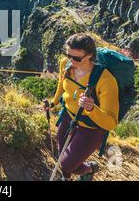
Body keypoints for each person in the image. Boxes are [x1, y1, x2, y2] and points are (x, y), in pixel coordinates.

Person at [45, 33, 119, 181]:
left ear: (90, 56)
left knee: (66, 164)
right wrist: (53, 103)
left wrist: (92, 109)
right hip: (69, 116)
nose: (71, 61)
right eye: (68, 55)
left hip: (91, 128)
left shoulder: (106, 80)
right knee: (61, 157)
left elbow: (111, 122)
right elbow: (62, 85)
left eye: (76, 58)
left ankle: (90, 169)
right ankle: (67, 177)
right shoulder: (66, 64)